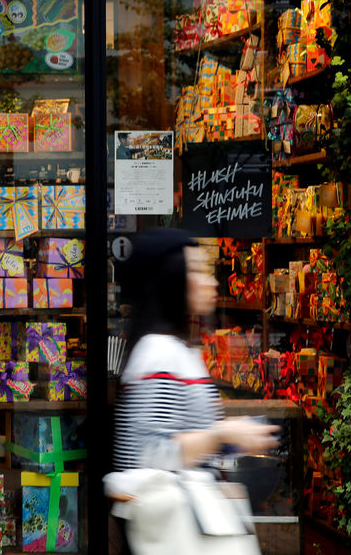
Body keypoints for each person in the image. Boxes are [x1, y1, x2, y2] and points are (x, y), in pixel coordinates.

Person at [106, 228, 279, 554]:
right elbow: (148, 453)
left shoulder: (175, 350)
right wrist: (223, 435)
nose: (211, 281)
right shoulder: (159, 353)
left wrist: (223, 440)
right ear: (172, 282)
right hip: (177, 529)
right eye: (197, 270)